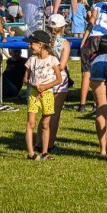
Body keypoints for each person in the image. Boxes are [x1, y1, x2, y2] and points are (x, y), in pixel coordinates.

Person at [23, 30, 62, 160]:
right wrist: (34, 85)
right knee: (31, 123)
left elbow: (58, 79)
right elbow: (25, 79)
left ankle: (45, 152)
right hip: (34, 94)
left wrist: (45, 87)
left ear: (40, 45)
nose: (29, 46)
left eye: (32, 44)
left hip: (47, 95)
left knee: (45, 124)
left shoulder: (52, 60)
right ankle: (31, 153)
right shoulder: (31, 60)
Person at [37, 14, 71, 154]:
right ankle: (50, 144)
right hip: (59, 79)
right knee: (55, 114)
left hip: (44, 78)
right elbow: (62, 65)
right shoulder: (64, 43)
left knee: (45, 113)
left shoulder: (42, 43)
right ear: (62, 28)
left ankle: (39, 142)